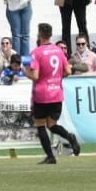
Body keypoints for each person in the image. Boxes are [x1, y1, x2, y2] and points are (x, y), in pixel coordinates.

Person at [26, 24, 79, 164]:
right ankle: (69, 137)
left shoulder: (36, 52)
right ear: (50, 34)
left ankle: (50, 156)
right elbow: (68, 71)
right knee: (51, 124)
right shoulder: (58, 50)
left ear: (39, 35)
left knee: (41, 125)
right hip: (56, 93)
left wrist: (26, 72)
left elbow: (36, 76)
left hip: (42, 94)